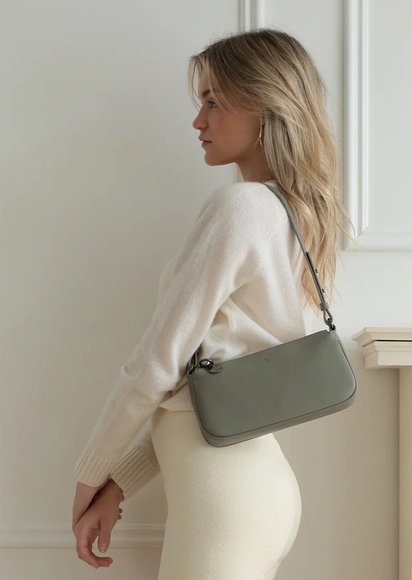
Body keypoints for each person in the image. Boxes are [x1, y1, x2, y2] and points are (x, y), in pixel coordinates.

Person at [71, 28, 349, 579]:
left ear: (266, 106)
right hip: (246, 493)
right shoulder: (293, 217)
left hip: (223, 503)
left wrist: (89, 475)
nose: (198, 121)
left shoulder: (241, 208)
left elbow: (157, 364)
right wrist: (117, 484)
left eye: (214, 102)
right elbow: (199, 395)